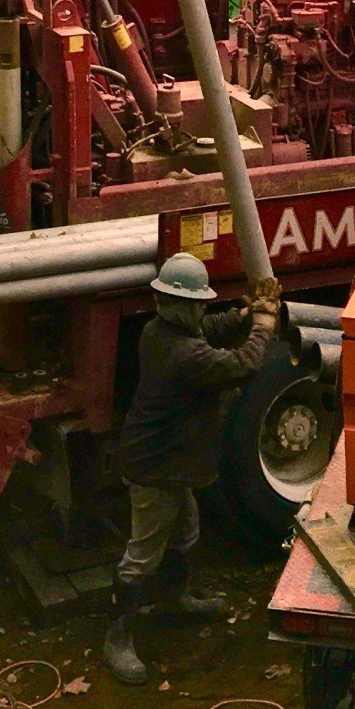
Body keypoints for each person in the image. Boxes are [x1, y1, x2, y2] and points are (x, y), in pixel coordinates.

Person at [103, 253, 283, 686]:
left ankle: (176, 597)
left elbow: (212, 329)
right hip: (156, 468)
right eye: (199, 303)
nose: (203, 310)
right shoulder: (184, 353)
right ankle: (117, 639)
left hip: (170, 462)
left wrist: (243, 314)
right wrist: (262, 324)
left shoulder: (159, 329)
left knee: (186, 532)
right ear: (180, 304)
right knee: (142, 554)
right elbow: (243, 364)